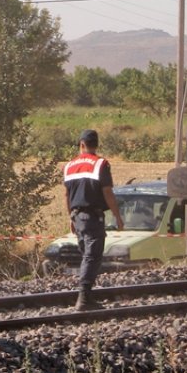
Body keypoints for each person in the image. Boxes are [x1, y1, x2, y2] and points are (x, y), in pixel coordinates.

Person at [63, 129, 124, 311]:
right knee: (92, 256)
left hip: (77, 216)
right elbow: (107, 193)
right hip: (92, 216)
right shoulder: (101, 164)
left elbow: (67, 195)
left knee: (86, 255)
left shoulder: (69, 166)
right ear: (96, 145)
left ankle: (86, 295)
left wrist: (71, 218)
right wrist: (118, 216)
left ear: (81, 144)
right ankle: (84, 298)